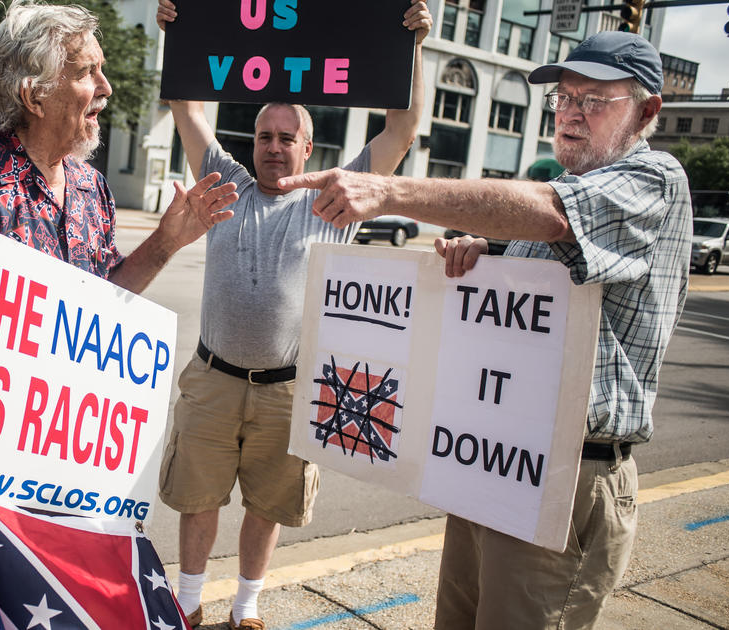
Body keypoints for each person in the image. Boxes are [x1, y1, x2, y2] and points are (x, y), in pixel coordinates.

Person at [276, 31, 691, 628]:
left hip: (567, 473)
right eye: (565, 97)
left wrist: (387, 190)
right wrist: (484, 258)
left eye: (595, 100)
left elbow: (549, 213)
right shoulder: (568, 195)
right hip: (493, 464)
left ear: (646, 111)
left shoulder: (654, 178)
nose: (572, 112)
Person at [154, 1, 431, 627]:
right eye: (263, 136)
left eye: (286, 138)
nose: (273, 148)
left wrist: (413, 46)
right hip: (213, 380)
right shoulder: (223, 181)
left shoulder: (335, 199)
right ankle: (190, 604)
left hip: (289, 390)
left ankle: (246, 609)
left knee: (268, 505)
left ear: (309, 146)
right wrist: (178, 28)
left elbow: (402, 129)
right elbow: (187, 107)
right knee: (197, 498)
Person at [0, 0, 238, 293]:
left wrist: (166, 242)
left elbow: (105, 296)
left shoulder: (92, 187)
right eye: (86, 72)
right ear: (34, 96)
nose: (106, 87)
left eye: (102, 69)